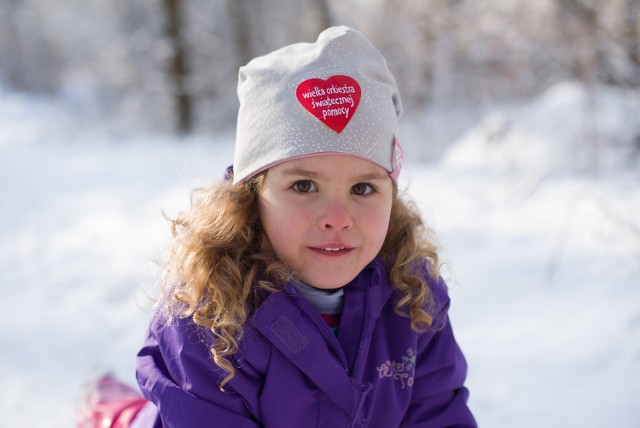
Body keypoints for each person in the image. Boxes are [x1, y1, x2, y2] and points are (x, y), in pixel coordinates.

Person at [128, 26, 476, 427]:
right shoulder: (208, 321)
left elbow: (439, 416)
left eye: (362, 188)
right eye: (304, 186)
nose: (337, 218)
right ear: (252, 195)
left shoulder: (413, 302)